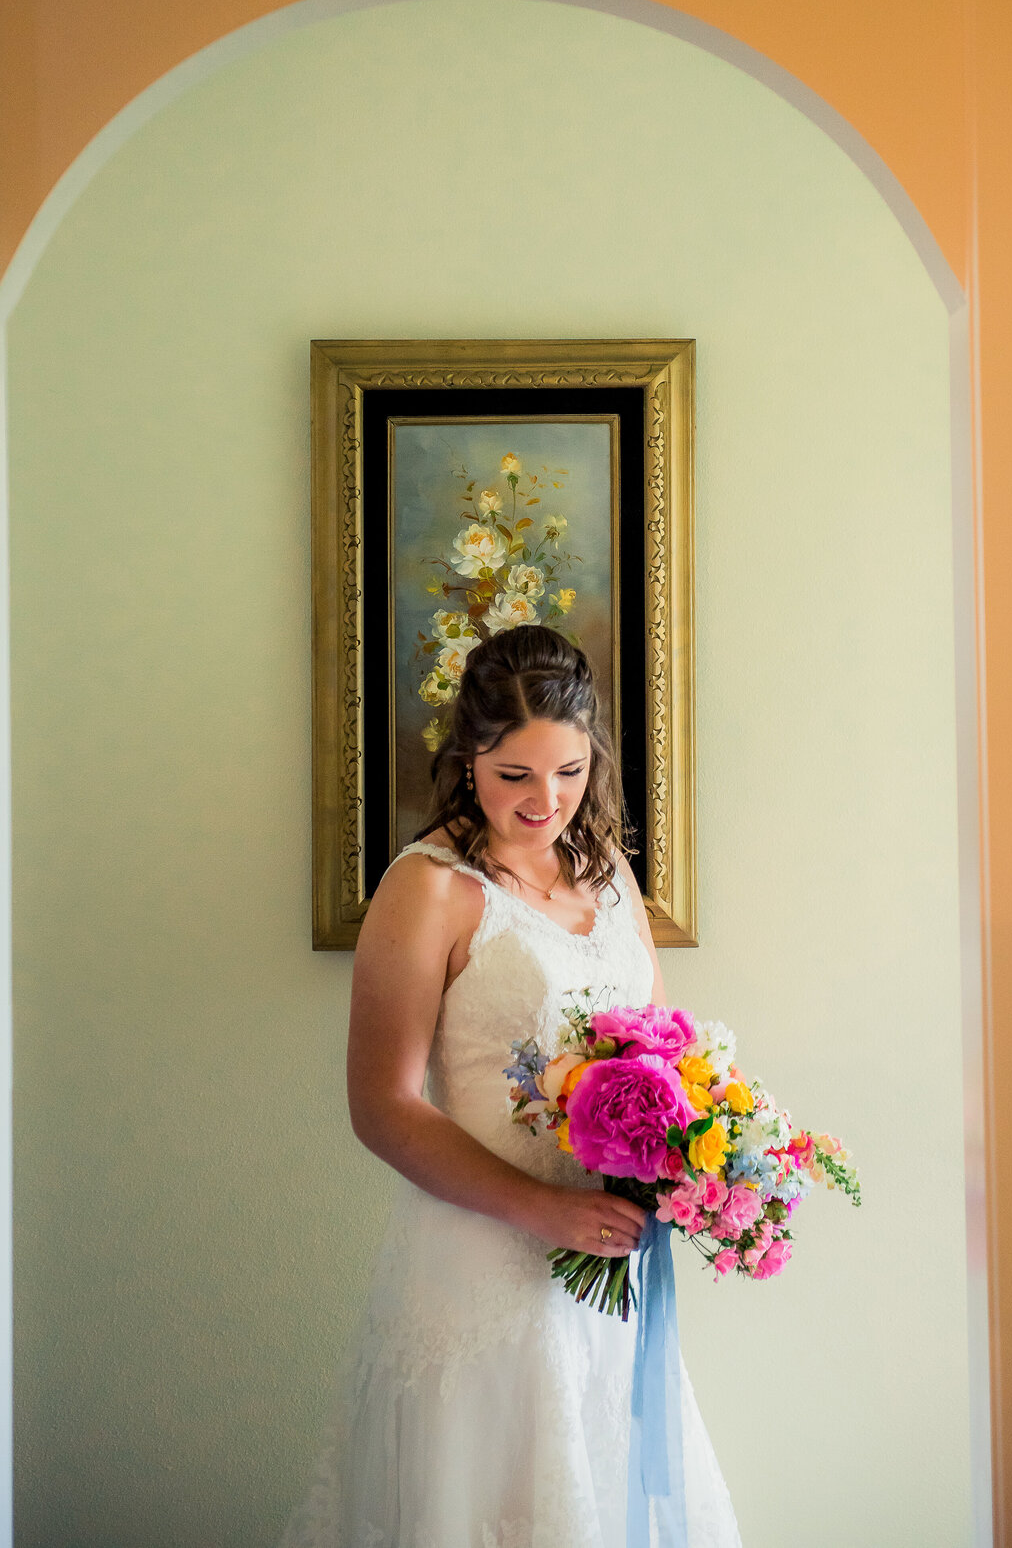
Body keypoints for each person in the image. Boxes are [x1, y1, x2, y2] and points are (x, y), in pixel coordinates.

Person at [283, 625, 741, 1547]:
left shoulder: (609, 872)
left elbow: (662, 1051)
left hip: (607, 1262)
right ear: (468, 757)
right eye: (515, 775)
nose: (546, 802)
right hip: (480, 1258)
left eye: (568, 773)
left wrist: (691, 1164)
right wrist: (540, 1209)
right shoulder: (428, 888)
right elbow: (383, 1106)